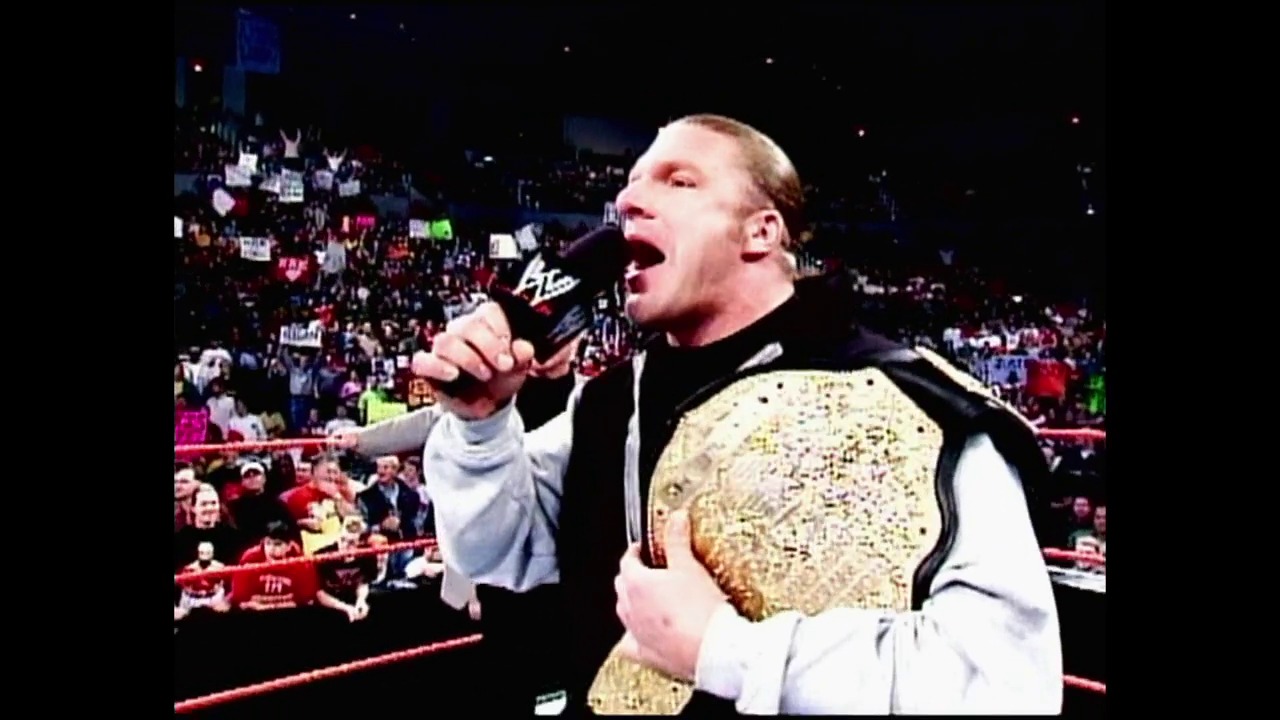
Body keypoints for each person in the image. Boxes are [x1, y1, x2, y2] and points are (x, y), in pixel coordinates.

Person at [414, 114, 1062, 715]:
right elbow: (499, 552)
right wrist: (481, 427)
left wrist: (722, 650)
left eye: (679, 180)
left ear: (761, 231)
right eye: (630, 184)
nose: (627, 203)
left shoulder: (913, 406)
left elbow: (1008, 686)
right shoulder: (611, 402)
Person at [333, 341, 580, 715]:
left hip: (567, 557)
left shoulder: (594, 397)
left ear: (575, 342)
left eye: (562, 335)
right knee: (505, 659)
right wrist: (361, 440)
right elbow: (427, 420)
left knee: (564, 659)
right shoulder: (493, 399)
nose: (551, 345)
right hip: (496, 560)